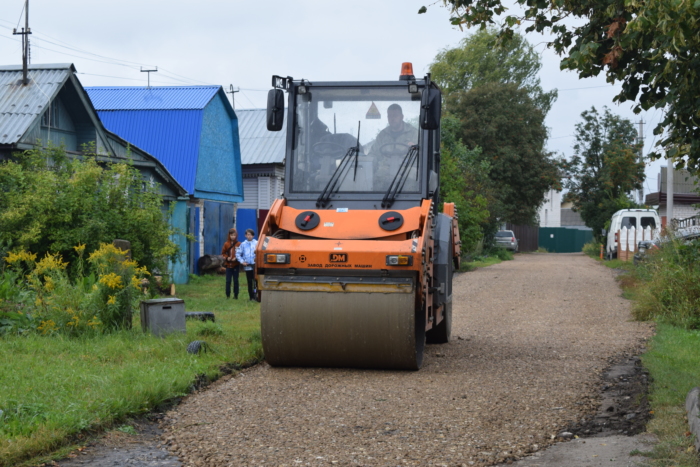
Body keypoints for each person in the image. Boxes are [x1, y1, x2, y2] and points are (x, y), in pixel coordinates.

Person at [369, 104, 418, 189]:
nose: (392, 119)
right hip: (385, 172)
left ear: (402, 117)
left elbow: (424, 156)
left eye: (395, 115)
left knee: (413, 177)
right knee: (373, 179)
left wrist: (415, 149)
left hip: (407, 170)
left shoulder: (414, 133)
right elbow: (373, 154)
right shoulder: (382, 135)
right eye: (389, 116)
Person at [236, 229, 258, 301]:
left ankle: (256, 295)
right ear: (245, 235)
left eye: (250, 235)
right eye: (248, 234)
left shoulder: (256, 243)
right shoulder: (243, 244)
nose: (249, 236)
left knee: (256, 281)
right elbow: (238, 254)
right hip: (248, 266)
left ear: (253, 236)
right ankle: (251, 296)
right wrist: (242, 261)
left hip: (255, 265)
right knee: (249, 281)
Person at [221, 228, 241, 299]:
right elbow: (223, 253)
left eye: (234, 235)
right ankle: (228, 295)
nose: (233, 236)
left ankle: (236, 295)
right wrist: (227, 258)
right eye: (231, 235)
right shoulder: (226, 244)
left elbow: (241, 254)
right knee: (228, 281)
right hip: (228, 265)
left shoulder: (239, 244)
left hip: (236, 265)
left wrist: (236, 258)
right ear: (229, 235)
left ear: (236, 236)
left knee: (236, 280)